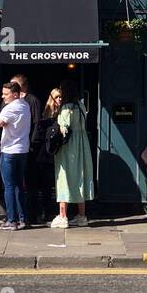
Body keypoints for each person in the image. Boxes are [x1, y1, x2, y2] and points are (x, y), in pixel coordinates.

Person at [0, 82, 32, 230]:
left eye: (5, 94)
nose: (2, 96)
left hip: (9, 151)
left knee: (9, 187)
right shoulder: (25, 105)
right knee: (19, 186)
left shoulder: (10, 109)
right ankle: (22, 219)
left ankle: (11, 220)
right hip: (23, 151)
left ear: (15, 94)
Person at [50, 80, 94, 228]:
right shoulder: (81, 106)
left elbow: (64, 129)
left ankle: (63, 216)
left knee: (64, 177)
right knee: (81, 176)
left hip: (69, 147)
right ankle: (82, 216)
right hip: (82, 144)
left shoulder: (66, 108)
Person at [25, 85, 61, 226]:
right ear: (51, 98)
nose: (59, 99)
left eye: (61, 96)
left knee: (48, 185)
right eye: (57, 97)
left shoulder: (64, 112)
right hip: (42, 154)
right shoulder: (44, 114)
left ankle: (48, 211)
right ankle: (38, 212)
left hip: (54, 153)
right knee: (40, 184)